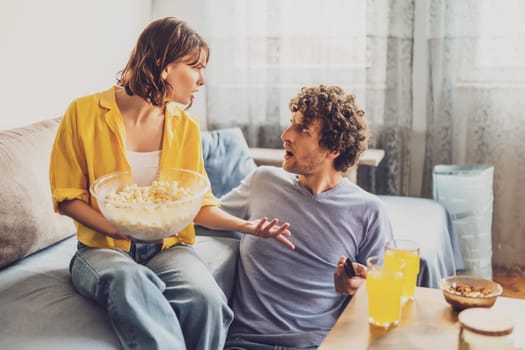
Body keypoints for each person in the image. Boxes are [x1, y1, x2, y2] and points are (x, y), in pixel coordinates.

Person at [49, 17, 293, 350]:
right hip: (103, 248)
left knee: (206, 299)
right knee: (128, 280)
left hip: (167, 247)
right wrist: (116, 227)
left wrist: (247, 226)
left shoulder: (186, 128)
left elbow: (198, 204)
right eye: (196, 68)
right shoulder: (83, 113)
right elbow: (67, 196)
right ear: (164, 66)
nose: (202, 80)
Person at [221, 85, 394, 349]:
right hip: (246, 343)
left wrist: (355, 289)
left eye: (303, 130)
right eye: (292, 124)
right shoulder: (263, 181)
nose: (285, 135)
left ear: (333, 149)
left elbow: (387, 301)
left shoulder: (369, 212)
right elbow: (201, 215)